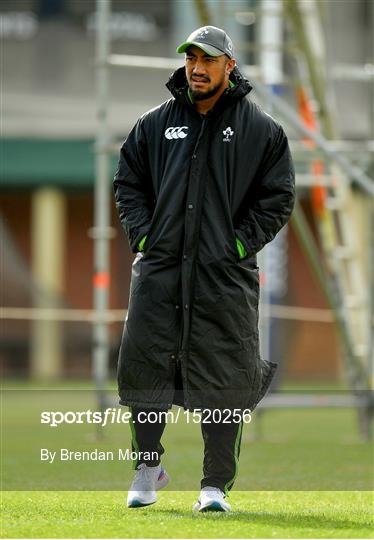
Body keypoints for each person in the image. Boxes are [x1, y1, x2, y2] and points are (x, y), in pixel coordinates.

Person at [113, 25, 295, 512]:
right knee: (146, 369)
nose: (196, 67)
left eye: (208, 60)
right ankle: (147, 468)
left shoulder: (263, 131)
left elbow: (278, 198)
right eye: (191, 58)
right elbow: (128, 182)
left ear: (228, 66)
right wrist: (146, 237)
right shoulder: (154, 123)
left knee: (225, 378)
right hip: (160, 274)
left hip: (223, 278)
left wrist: (236, 243)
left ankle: (214, 487)